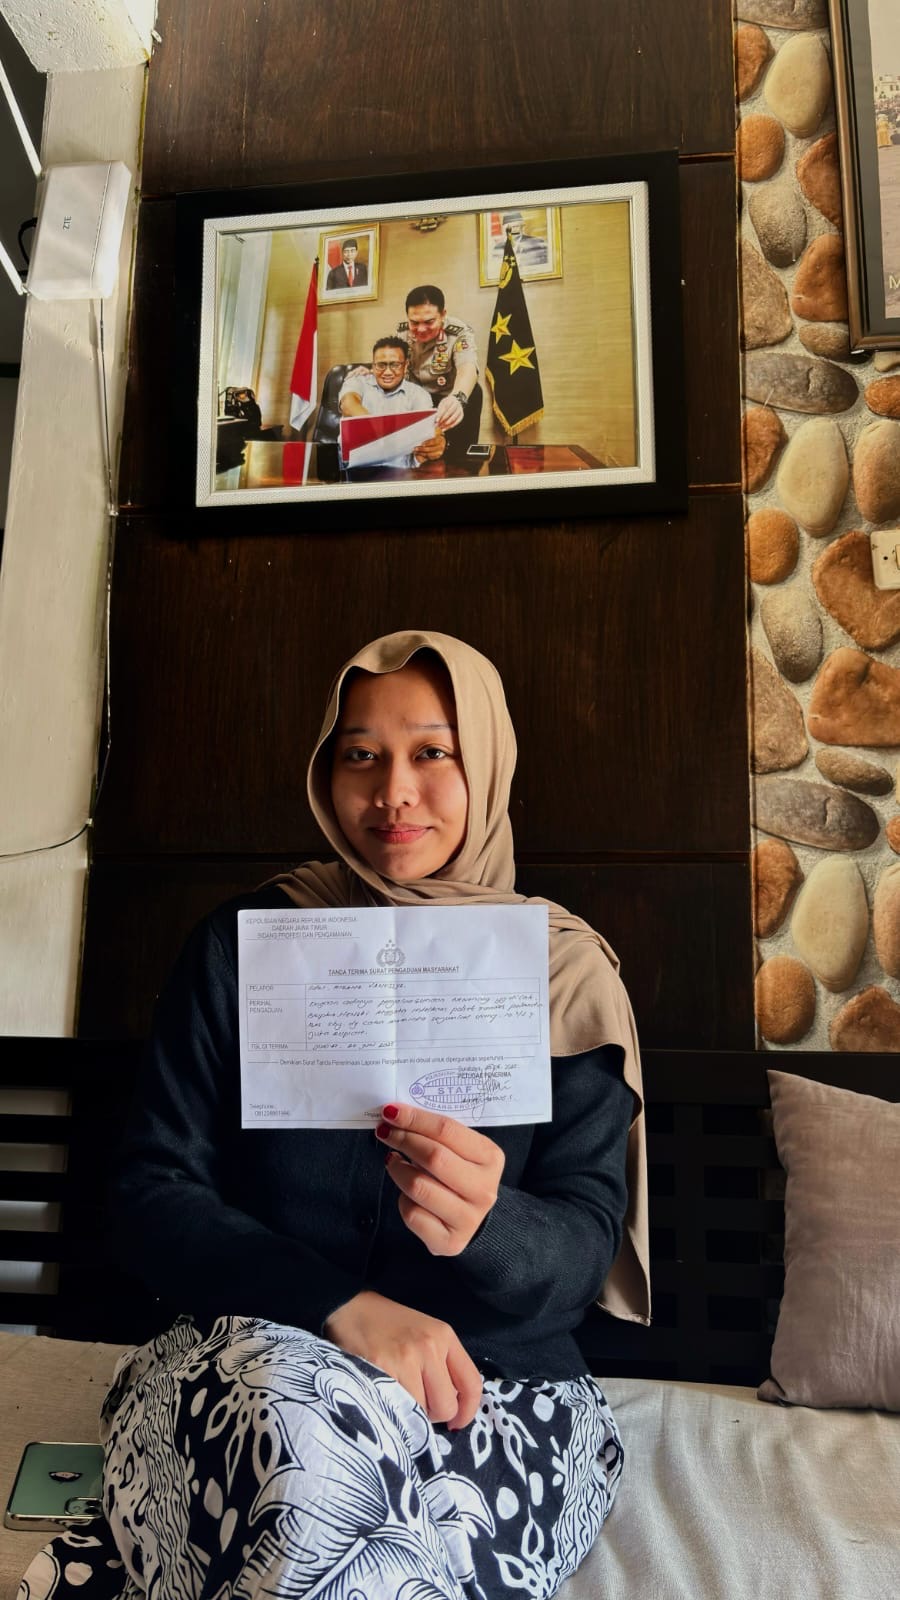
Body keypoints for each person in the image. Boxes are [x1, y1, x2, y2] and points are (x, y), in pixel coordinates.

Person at [20, 630, 649, 1600]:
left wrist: (490, 1222)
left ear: (487, 761)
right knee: (308, 1473)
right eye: (361, 754)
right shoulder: (245, 946)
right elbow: (152, 1194)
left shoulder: (562, 971)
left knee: (358, 1537)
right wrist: (340, 1307)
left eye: (432, 752)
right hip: (258, 1361)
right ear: (326, 771)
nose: (394, 791)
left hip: (495, 1388)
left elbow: (581, 1248)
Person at [393, 286, 483, 460]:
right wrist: (370, 371)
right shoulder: (402, 332)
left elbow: (467, 367)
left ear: (443, 315)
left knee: (474, 393)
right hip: (418, 399)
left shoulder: (459, 332)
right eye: (414, 322)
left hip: (448, 397)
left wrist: (457, 398)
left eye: (429, 322)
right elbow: (394, 362)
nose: (420, 329)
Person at [339, 337, 446, 468]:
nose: (388, 372)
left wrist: (438, 441)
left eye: (395, 365)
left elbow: (429, 429)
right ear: (373, 365)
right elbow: (348, 403)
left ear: (405, 366)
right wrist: (377, 431)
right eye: (381, 365)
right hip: (354, 469)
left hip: (402, 470)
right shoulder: (357, 381)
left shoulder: (419, 394)